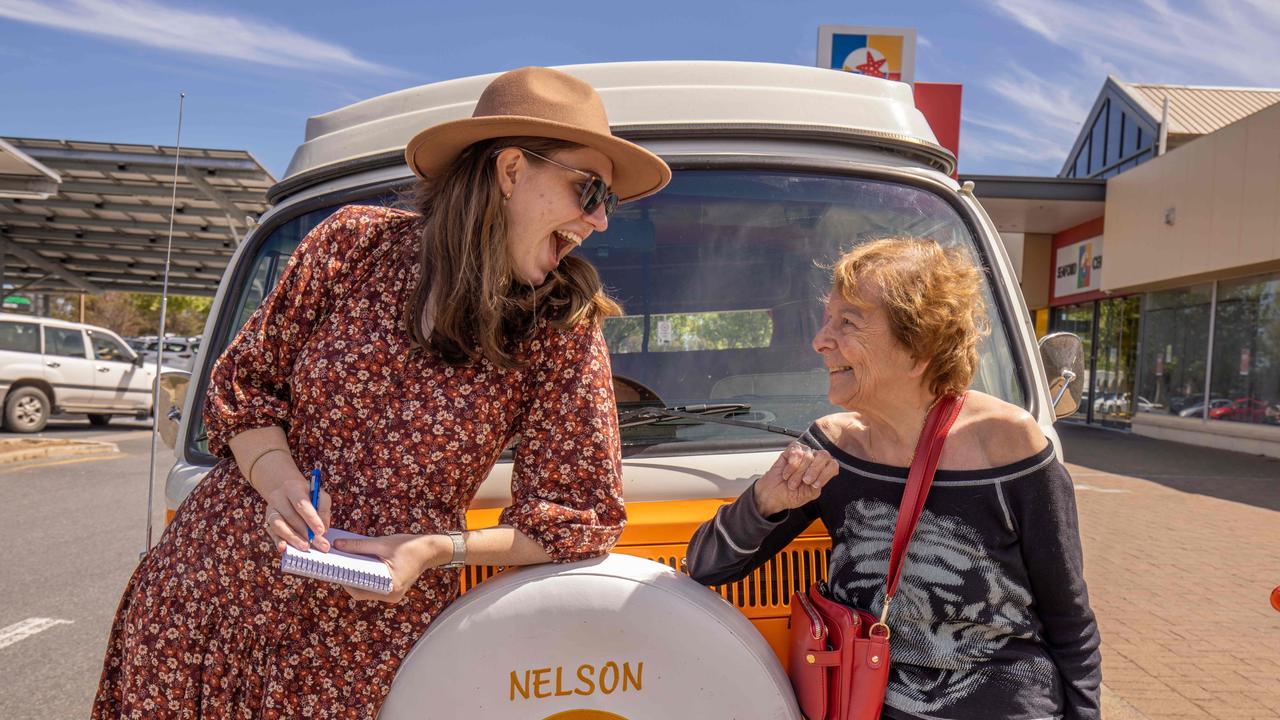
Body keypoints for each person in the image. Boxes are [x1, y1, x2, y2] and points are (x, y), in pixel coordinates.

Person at [92, 66, 671, 719]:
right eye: (588, 189)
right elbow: (246, 383)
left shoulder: (560, 326)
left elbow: (581, 518)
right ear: (511, 171)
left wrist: (433, 550)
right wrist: (277, 476)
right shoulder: (352, 244)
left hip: (356, 648)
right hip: (205, 601)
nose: (597, 220)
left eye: (607, 203)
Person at [686, 238, 1102, 720]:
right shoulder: (833, 447)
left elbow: (1069, 621)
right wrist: (764, 501)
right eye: (827, 320)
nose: (821, 340)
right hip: (861, 705)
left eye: (848, 323)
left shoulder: (1010, 445)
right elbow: (705, 568)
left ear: (918, 346)